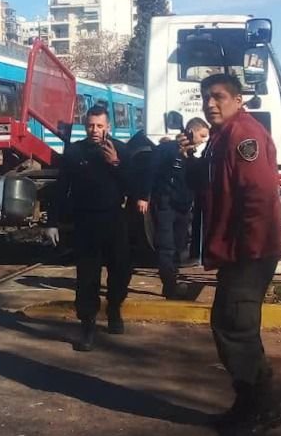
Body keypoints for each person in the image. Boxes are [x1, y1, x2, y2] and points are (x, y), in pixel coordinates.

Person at [191, 73, 281, 436]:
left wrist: (249, 249)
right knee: (232, 326)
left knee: (236, 328)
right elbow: (209, 186)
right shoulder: (220, 137)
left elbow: (259, 196)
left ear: (238, 99)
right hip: (238, 250)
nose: (210, 103)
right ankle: (249, 404)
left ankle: (262, 409)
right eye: (205, 97)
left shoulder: (244, 136)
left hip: (250, 251)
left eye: (218, 97)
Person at [45, 105, 132, 352]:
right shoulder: (74, 152)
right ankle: (88, 324)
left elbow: (134, 185)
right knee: (87, 277)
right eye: (91, 125)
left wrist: (115, 163)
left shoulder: (121, 150)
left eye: (100, 126)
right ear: (86, 126)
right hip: (86, 222)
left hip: (115, 219)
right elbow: (61, 189)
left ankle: (114, 308)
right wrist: (52, 222)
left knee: (121, 271)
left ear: (109, 127)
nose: (95, 130)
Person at [136, 117, 210, 299]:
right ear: (192, 131)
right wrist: (144, 197)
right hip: (166, 204)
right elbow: (151, 172)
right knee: (166, 247)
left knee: (179, 245)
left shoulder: (192, 156)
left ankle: (173, 278)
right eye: (202, 135)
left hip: (184, 207)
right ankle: (169, 286)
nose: (203, 140)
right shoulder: (166, 150)